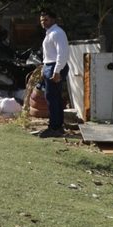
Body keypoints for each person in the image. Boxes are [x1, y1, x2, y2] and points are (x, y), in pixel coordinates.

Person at [38, 9, 69, 138]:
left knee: (52, 98)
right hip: (49, 66)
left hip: (55, 67)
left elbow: (62, 54)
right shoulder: (49, 33)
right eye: (41, 20)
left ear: (53, 20)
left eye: (46, 20)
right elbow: (49, 54)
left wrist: (56, 71)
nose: (43, 22)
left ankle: (54, 127)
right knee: (54, 98)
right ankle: (58, 126)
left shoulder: (57, 33)